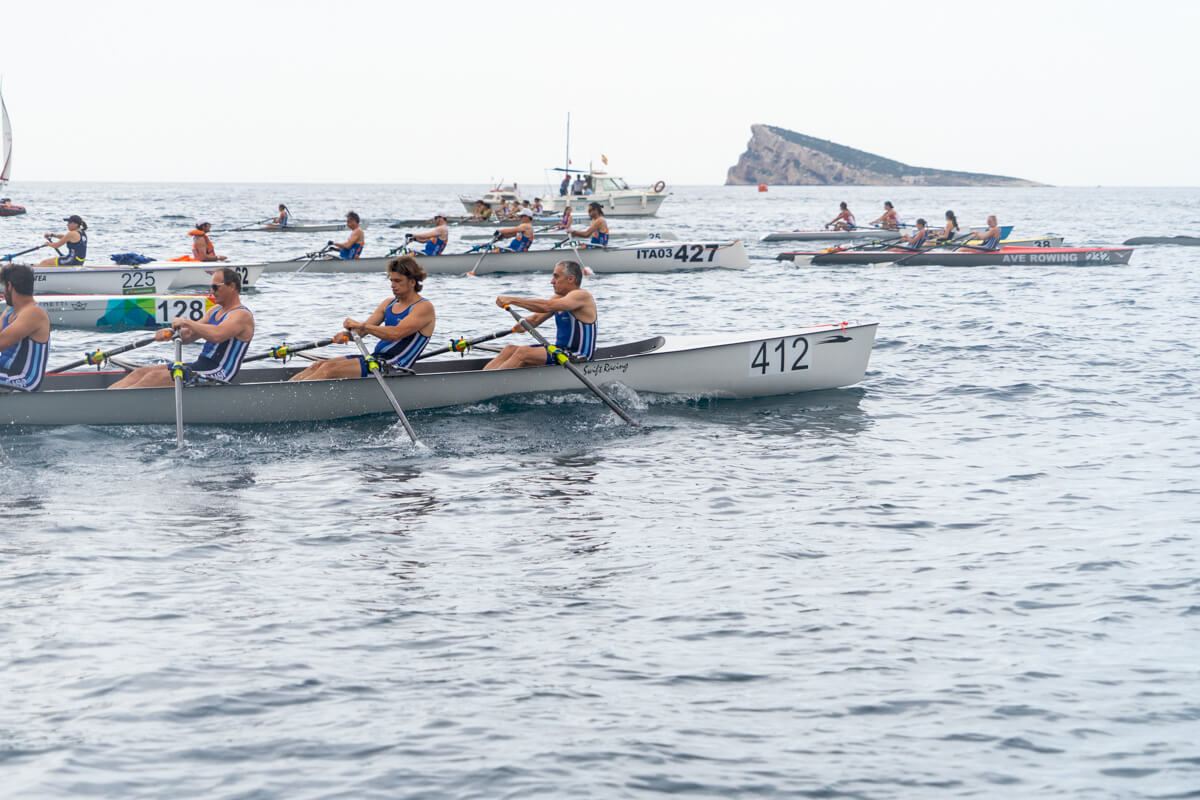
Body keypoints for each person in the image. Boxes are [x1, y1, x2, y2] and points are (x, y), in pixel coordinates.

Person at [290, 256, 436, 381]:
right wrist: (346, 335)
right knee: (319, 365)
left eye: (398, 281)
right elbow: (361, 333)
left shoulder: (423, 307)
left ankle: (293, 397)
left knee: (329, 370)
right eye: (391, 281)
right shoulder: (388, 303)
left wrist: (361, 325)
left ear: (412, 282)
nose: (393, 285)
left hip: (395, 365)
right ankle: (286, 391)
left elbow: (395, 334)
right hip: (376, 359)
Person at [110, 267, 254, 388]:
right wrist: (171, 333)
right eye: (211, 287)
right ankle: (108, 398)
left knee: (154, 378)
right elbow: (188, 336)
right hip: (201, 365)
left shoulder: (242, 315)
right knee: (140, 372)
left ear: (232, 286)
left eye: (216, 287)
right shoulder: (215, 310)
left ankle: (116, 404)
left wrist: (186, 322)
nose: (212, 291)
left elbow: (217, 335)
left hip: (219, 373)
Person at [484, 260, 596, 370]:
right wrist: (520, 326)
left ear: (570, 279)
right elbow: (535, 319)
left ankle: (493, 381)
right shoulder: (559, 298)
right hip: (560, 351)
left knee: (523, 353)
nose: (552, 281)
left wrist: (512, 300)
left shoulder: (582, 296)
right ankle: (483, 377)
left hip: (578, 355)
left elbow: (546, 306)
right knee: (509, 349)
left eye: (556, 277)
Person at [0, 264, 51, 392]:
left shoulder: (34, 313)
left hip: (24, 380)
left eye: (4, 287)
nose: (3, 292)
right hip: (5, 372)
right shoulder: (10, 310)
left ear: (10, 286)